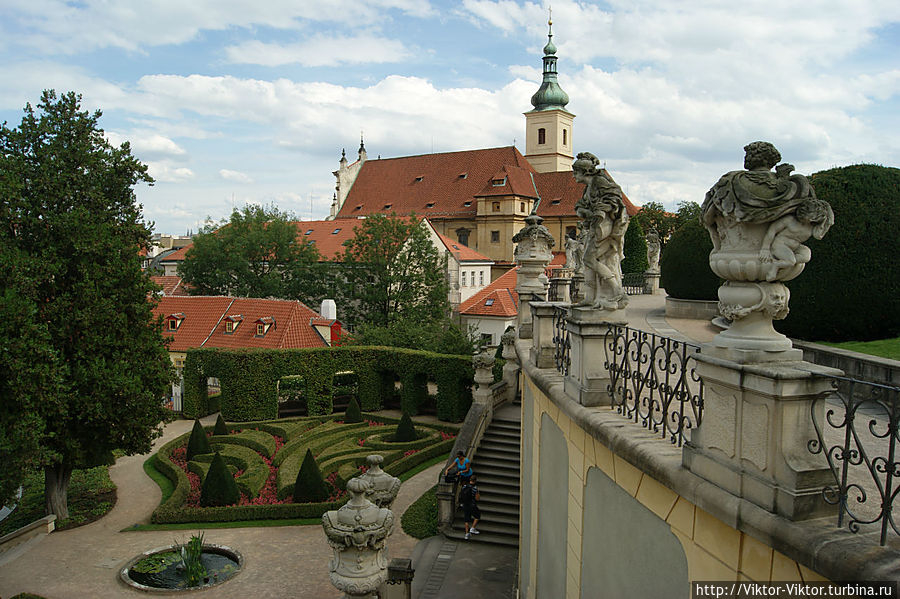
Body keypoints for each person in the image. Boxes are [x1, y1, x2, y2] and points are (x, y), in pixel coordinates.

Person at [460, 475, 480, 540]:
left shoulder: (465, 486)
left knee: (466, 520)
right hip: (472, 505)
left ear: (470, 480)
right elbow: (477, 499)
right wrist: (478, 492)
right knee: (477, 516)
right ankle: (473, 528)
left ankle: (466, 534)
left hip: (465, 505)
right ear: (475, 481)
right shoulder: (475, 488)